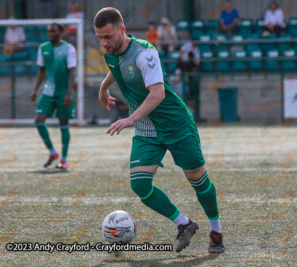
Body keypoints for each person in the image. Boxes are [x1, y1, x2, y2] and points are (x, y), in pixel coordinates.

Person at [94, 7, 224, 254]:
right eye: (99, 37)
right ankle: (184, 224)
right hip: (146, 128)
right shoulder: (109, 51)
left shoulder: (146, 53)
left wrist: (129, 118)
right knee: (140, 185)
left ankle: (216, 230)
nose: (104, 42)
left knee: (198, 180)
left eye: (108, 36)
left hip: (175, 125)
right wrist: (103, 88)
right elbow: (117, 66)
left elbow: (158, 93)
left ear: (122, 30)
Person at [30, 23, 77, 169]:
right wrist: (35, 90)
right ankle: (52, 152)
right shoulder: (43, 48)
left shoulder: (69, 49)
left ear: (61, 32)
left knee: (63, 124)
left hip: (64, 92)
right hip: (48, 91)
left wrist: (69, 93)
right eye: (49, 31)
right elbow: (41, 70)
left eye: (53, 31)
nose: (50, 33)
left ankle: (63, 159)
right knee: (38, 120)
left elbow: (72, 72)